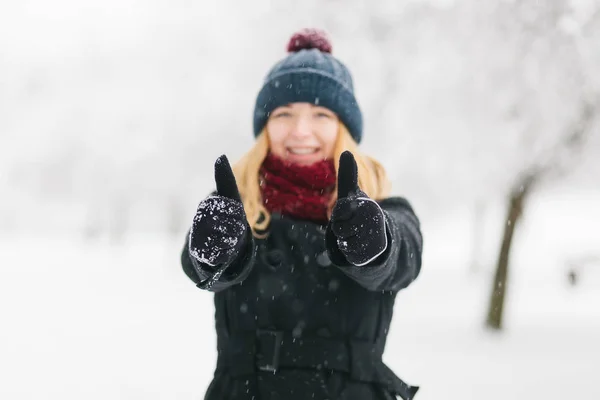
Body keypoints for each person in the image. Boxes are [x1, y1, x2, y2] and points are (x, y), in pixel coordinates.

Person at [180, 28, 423, 400]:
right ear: (265, 126)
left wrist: (373, 246)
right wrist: (218, 253)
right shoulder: (235, 207)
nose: (300, 130)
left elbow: (403, 256)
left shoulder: (382, 209)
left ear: (344, 128)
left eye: (322, 114)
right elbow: (199, 266)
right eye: (284, 113)